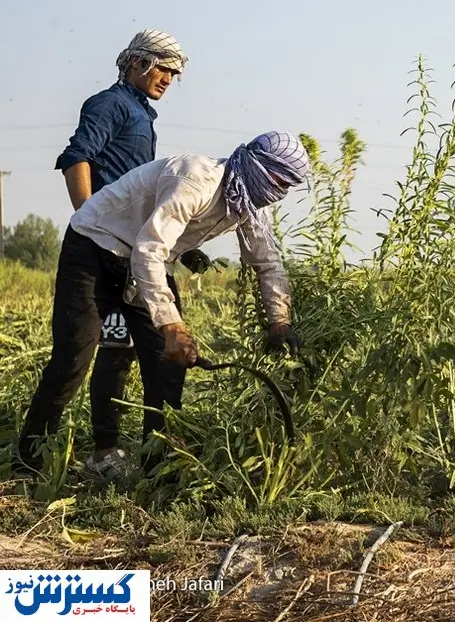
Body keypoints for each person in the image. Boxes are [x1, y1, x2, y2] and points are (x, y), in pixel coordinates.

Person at [15, 132, 309, 475]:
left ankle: (158, 468)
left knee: (167, 366)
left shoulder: (246, 205)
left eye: (289, 185)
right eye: (279, 179)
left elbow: (268, 264)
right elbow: (150, 249)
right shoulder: (196, 179)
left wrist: (280, 323)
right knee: (73, 357)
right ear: (257, 166)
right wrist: (172, 325)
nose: (281, 191)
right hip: (95, 244)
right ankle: (28, 459)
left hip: (143, 260)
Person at [53, 29, 212, 481]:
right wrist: (87, 217)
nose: (168, 79)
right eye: (163, 68)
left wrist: (188, 248)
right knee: (112, 350)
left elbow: (153, 201)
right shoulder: (110, 104)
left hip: (135, 250)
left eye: (175, 73)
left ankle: (158, 455)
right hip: (103, 249)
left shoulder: (143, 113)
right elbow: (77, 157)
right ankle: (104, 451)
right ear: (138, 62)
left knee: (161, 348)